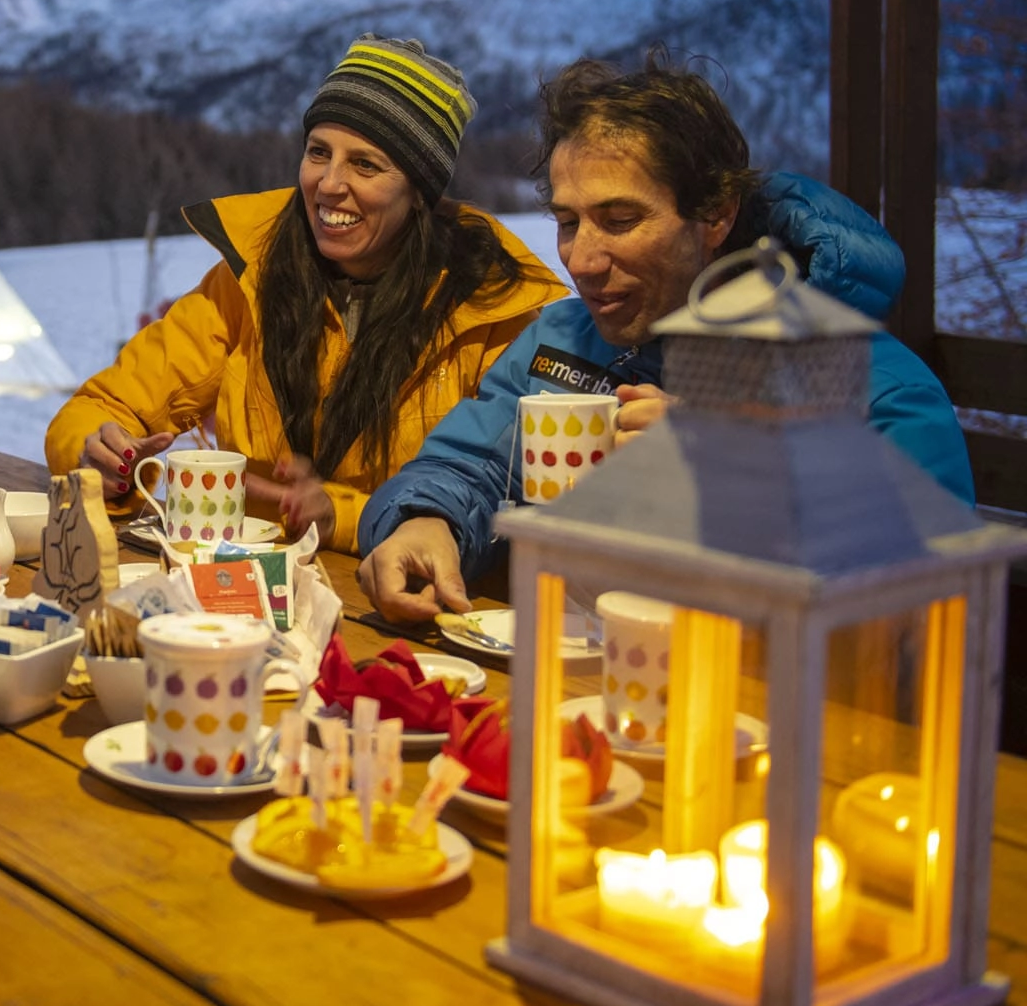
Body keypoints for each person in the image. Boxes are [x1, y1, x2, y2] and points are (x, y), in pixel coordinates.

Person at [357, 53, 976, 622]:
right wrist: (426, 521)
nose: (582, 261)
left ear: (716, 215)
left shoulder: (876, 391)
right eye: (568, 222)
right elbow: (470, 465)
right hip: (563, 681)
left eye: (620, 220)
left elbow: (925, 618)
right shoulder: (561, 341)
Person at [44, 35, 568, 552]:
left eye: (365, 164)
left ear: (418, 192)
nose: (329, 184)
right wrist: (101, 457)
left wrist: (343, 514)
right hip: (243, 582)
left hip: (395, 591)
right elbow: (101, 406)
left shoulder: (488, 310)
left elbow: (512, 507)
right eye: (319, 152)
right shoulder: (250, 278)